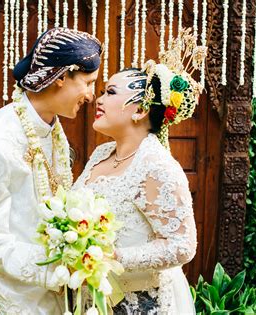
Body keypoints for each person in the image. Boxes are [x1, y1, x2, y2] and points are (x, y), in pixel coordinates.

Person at [0, 28, 102, 315]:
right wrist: (57, 270)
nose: (91, 94)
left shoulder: (51, 128)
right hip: (15, 300)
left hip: (60, 297)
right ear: (61, 77)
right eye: (88, 82)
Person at [73, 34, 206, 314]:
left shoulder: (157, 166)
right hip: (94, 300)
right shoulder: (101, 153)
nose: (98, 100)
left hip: (143, 304)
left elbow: (183, 246)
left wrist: (113, 257)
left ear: (142, 109)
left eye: (110, 92)